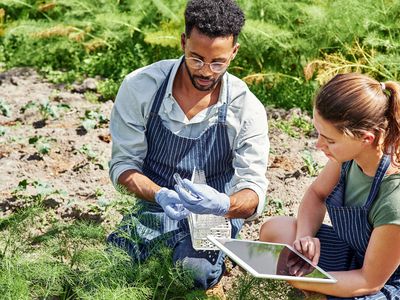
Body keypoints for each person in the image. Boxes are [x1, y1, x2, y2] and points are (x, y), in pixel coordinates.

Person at [107, 0, 269, 291]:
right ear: (183, 42)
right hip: (154, 206)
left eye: (218, 62)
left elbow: (253, 190)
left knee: (191, 273)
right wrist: (160, 195)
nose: (206, 71)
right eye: (196, 59)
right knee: (114, 264)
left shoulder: (246, 108)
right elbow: (123, 166)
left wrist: (223, 204)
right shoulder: (141, 87)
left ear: (234, 52)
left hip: (214, 217)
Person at [260, 73, 400, 299]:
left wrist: (302, 279)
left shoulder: (394, 198)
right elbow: (316, 194)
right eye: (319, 133)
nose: (319, 145)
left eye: (330, 140)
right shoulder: (347, 158)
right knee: (275, 230)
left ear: (366, 138)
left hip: (382, 279)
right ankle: (325, 291)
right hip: (355, 253)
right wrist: (304, 239)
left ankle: (320, 292)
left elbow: (369, 281)